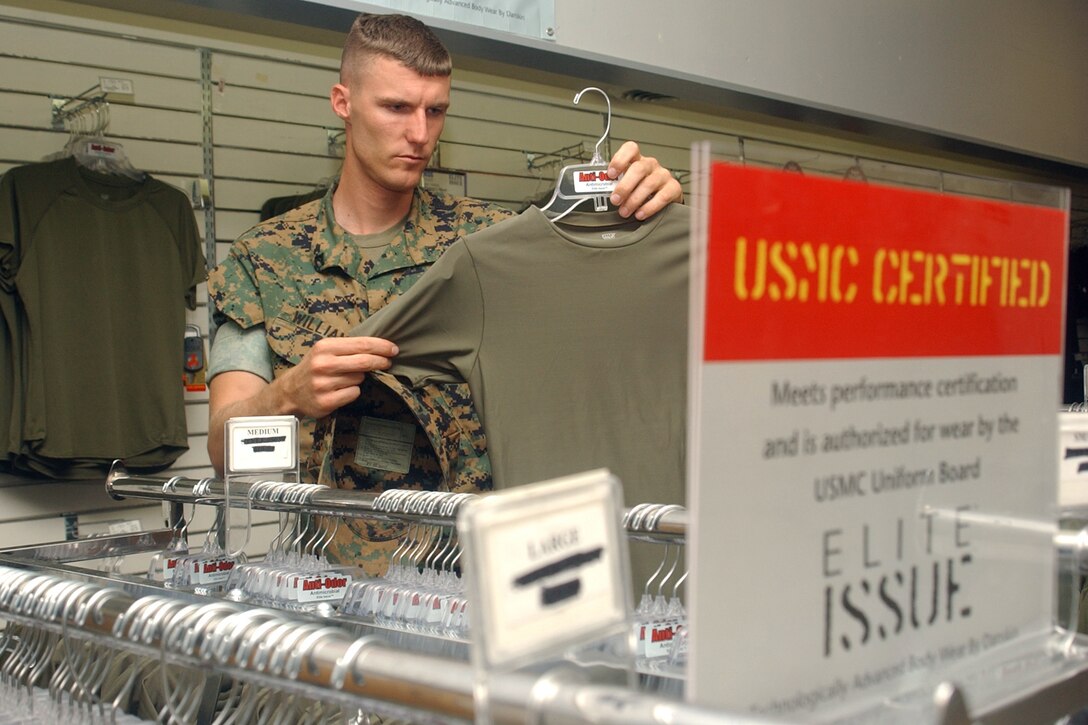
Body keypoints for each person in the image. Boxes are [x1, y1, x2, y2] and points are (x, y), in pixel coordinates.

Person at [206, 12, 683, 570]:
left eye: (436, 111)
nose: (420, 133)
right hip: (329, 583)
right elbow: (222, 453)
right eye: (396, 108)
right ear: (343, 102)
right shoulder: (263, 259)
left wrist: (640, 212)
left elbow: (611, 323)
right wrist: (285, 396)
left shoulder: (496, 244)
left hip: (480, 579)